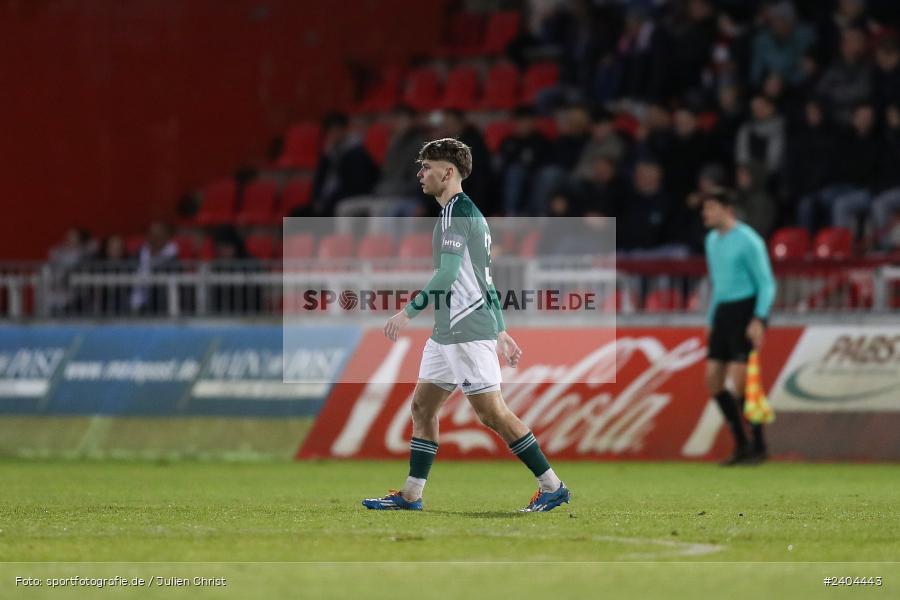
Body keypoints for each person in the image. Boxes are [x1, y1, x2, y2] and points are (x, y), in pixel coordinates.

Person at [362, 138, 570, 512]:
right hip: (448, 332)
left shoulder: (458, 213)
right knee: (423, 408)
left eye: (427, 166)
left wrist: (407, 312)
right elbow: (485, 278)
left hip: (464, 328)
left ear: (448, 171)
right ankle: (411, 495)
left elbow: (447, 275)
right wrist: (502, 329)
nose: (420, 174)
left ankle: (552, 485)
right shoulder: (464, 213)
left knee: (492, 413)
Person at [702, 189, 776, 466]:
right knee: (713, 380)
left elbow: (767, 283)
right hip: (722, 313)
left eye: (709, 208)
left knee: (741, 380)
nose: (705, 214)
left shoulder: (749, 240)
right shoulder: (711, 240)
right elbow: (717, 283)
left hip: (745, 311)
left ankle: (759, 445)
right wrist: (712, 319)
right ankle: (742, 444)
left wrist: (760, 319)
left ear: (726, 209)